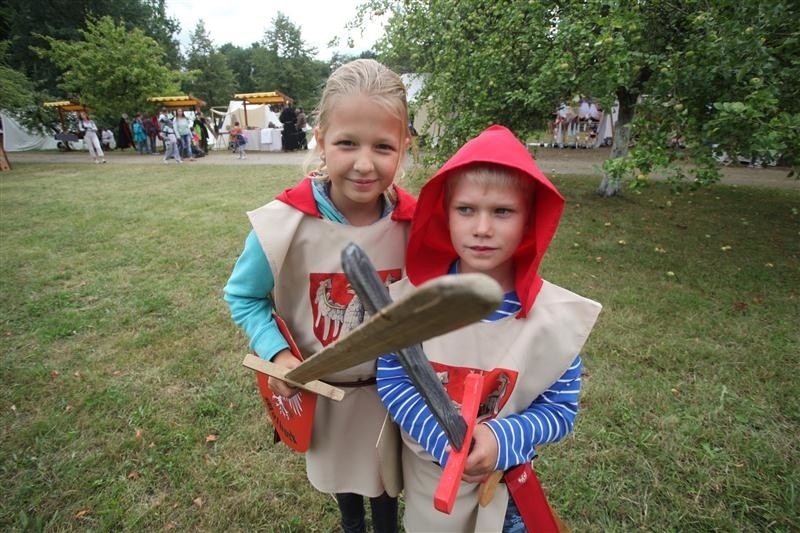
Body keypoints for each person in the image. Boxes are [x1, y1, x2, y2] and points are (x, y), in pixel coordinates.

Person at [376, 125, 602, 532]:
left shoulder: (553, 320)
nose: (482, 228)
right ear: (445, 215)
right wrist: (443, 440)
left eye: (502, 211)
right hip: (431, 482)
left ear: (528, 220)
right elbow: (394, 380)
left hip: (505, 486)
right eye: (466, 209)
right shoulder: (411, 304)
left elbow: (559, 409)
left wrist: (501, 439)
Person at [223, 59, 415, 533]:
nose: (364, 163)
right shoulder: (283, 226)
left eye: (383, 146)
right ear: (320, 138)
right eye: (347, 142)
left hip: (395, 401)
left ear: (404, 147)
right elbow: (244, 296)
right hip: (327, 401)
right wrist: (279, 355)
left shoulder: (418, 225)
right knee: (348, 495)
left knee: (389, 489)